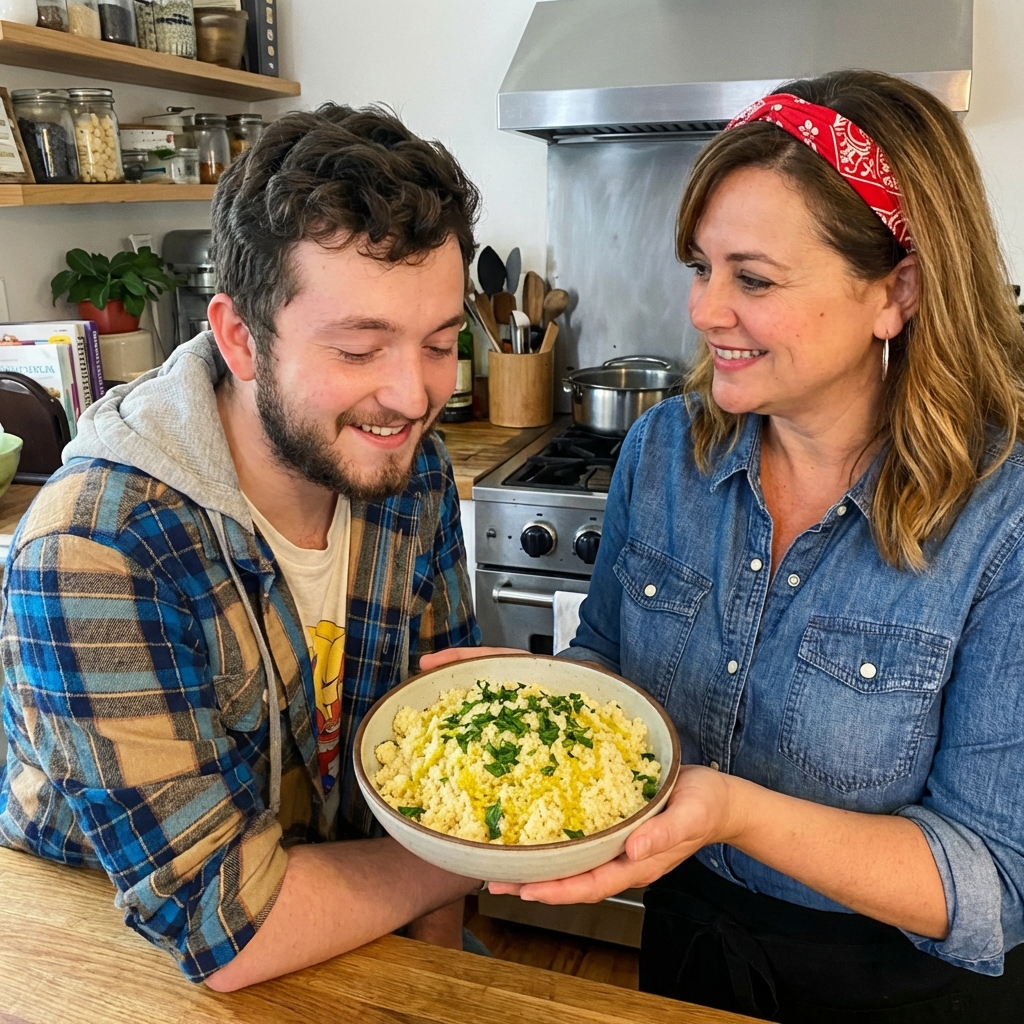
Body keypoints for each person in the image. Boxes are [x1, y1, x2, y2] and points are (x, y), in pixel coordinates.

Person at [425, 71, 1024, 1019]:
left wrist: (735, 810)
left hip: (897, 986)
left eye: (752, 278)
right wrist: (547, 711)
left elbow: (993, 882)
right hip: (689, 943)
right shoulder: (666, 450)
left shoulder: (1004, 520)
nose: (703, 311)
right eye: (701, 268)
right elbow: (610, 662)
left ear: (895, 291)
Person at [0, 103, 486, 990]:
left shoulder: (408, 474)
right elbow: (221, 927)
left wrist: (441, 974)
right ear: (238, 337)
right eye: (358, 348)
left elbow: (429, 744)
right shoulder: (95, 548)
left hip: (352, 914)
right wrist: (479, 852)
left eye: (441, 343)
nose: (412, 396)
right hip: (118, 957)